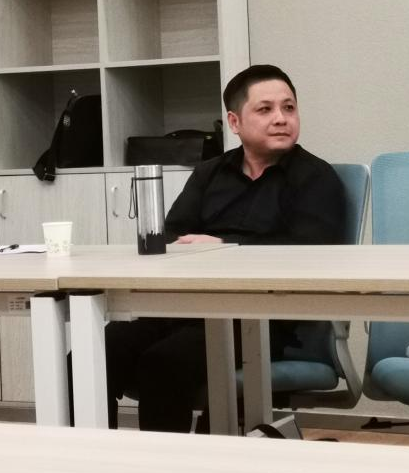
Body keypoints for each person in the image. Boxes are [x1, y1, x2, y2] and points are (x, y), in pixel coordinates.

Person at [101, 64, 347, 432]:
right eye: (265, 109)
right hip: (189, 307)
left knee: (163, 363)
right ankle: (82, 455)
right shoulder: (210, 173)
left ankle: (170, 461)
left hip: (264, 318)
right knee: (96, 351)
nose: (281, 119)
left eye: (289, 108)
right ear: (235, 122)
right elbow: (172, 235)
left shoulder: (316, 178)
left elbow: (310, 250)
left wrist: (225, 246)